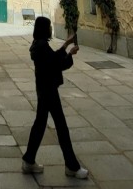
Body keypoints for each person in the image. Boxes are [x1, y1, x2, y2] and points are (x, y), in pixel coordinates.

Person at [21, 16, 89, 179]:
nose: (51, 29)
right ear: (45, 29)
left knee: (40, 125)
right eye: (49, 26)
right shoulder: (43, 46)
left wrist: (66, 44)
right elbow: (57, 64)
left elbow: (52, 59)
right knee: (61, 128)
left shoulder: (38, 44)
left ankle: (29, 160)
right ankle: (72, 166)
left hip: (43, 89)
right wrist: (70, 53)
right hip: (49, 91)